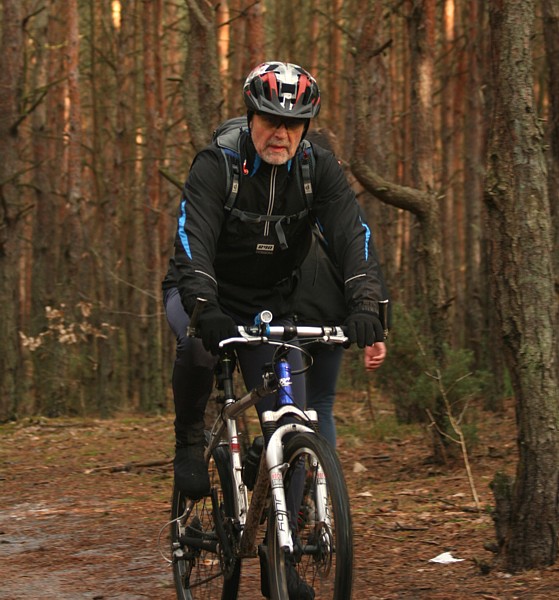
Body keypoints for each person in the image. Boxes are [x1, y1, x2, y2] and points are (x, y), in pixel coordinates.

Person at [162, 61, 386, 599]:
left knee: (291, 420)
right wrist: (205, 306)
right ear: (251, 117)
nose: (280, 133)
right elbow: (193, 240)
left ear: (306, 127)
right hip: (205, 294)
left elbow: (352, 236)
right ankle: (189, 439)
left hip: (271, 304)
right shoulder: (217, 165)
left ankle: (276, 560)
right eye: (270, 119)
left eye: (293, 123)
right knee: (197, 347)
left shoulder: (317, 170)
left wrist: (365, 303)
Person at [295, 128, 388, 448]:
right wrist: (377, 327)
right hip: (326, 322)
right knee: (319, 405)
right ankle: (319, 475)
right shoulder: (344, 207)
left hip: (300, 322)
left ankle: (307, 477)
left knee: (295, 407)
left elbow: (365, 262)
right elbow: (367, 262)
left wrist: (374, 327)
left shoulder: (285, 201)